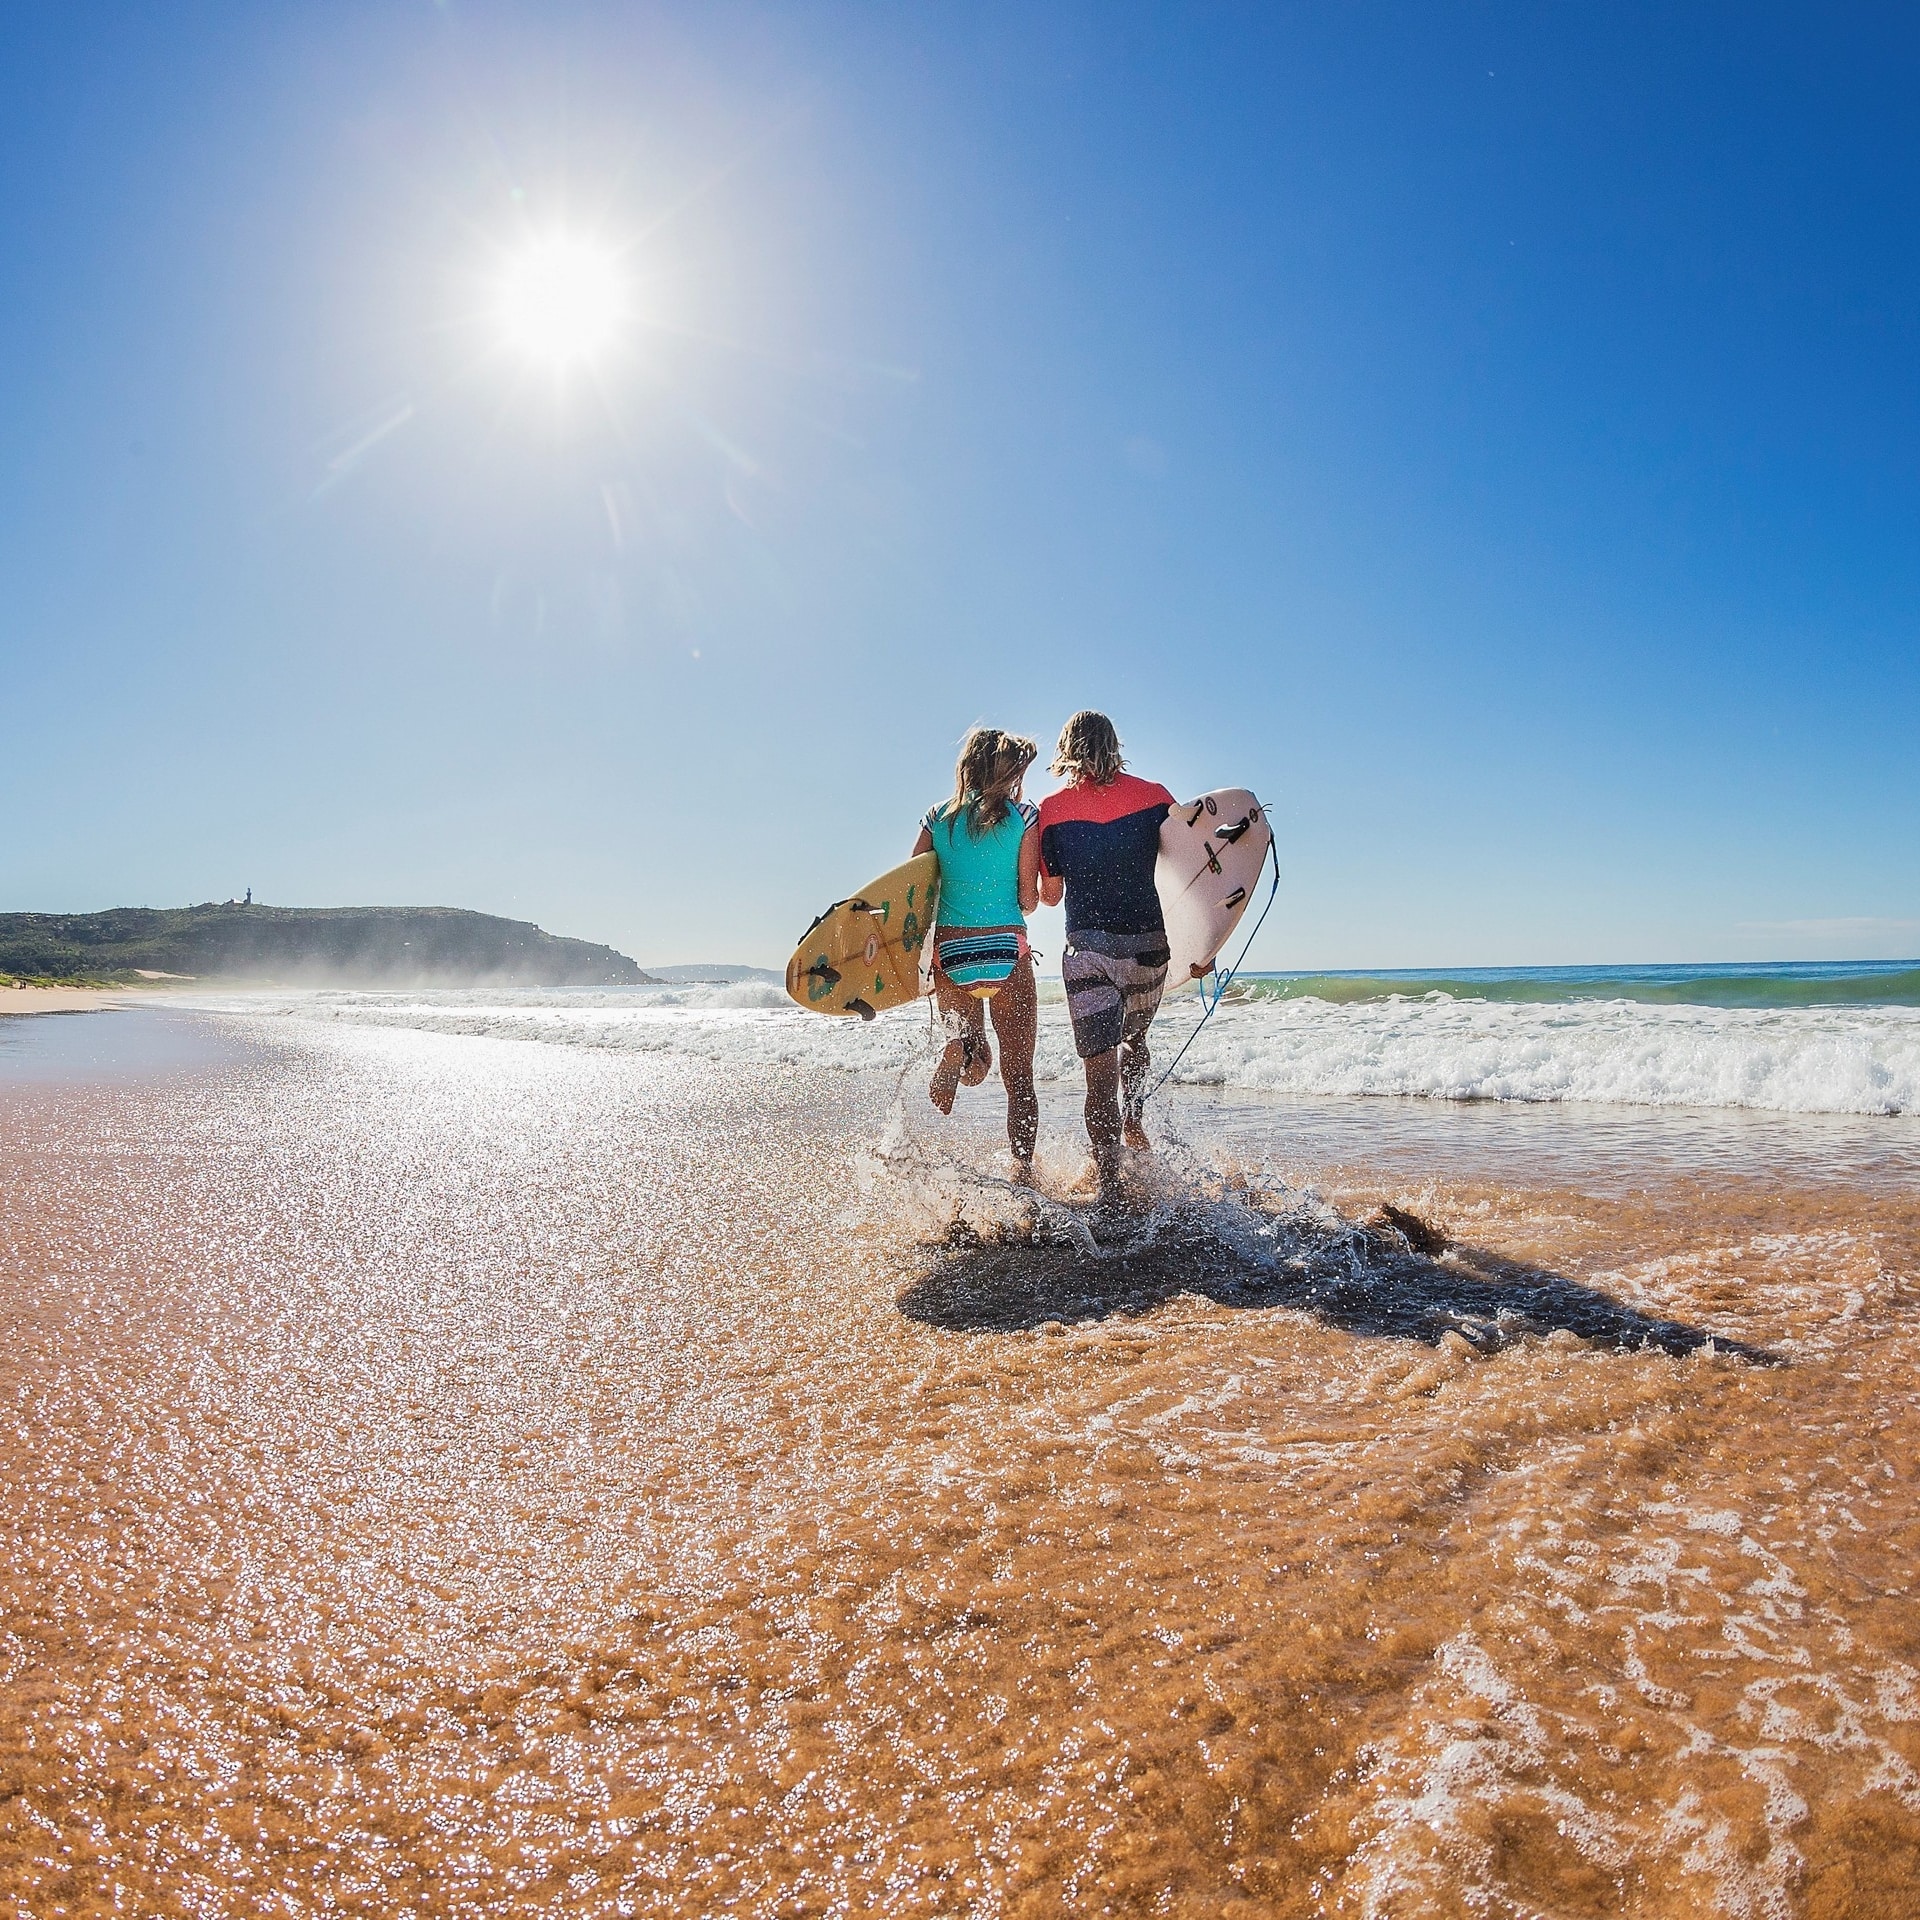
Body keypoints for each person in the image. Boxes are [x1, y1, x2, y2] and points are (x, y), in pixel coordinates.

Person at [1028, 710, 1176, 1195]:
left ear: (1066, 748)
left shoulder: (1051, 810)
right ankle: (1133, 1122)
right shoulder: (1156, 797)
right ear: (1114, 744)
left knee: (1098, 1072)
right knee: (1134, 1042)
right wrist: (1205, 944)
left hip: (1088, 951)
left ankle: (1109, 1184)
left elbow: (1049, 895)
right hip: (1149, 947)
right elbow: (1197, 873)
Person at [912, 727, 1041, 1174]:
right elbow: (1029, 898)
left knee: (975, 1057)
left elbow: (913, 890)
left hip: (952, 955)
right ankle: (1023, 1173)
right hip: (1007, 951)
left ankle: (957, 1049)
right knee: (1018, 1077)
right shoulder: (1024, 814)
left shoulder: (936, 817)